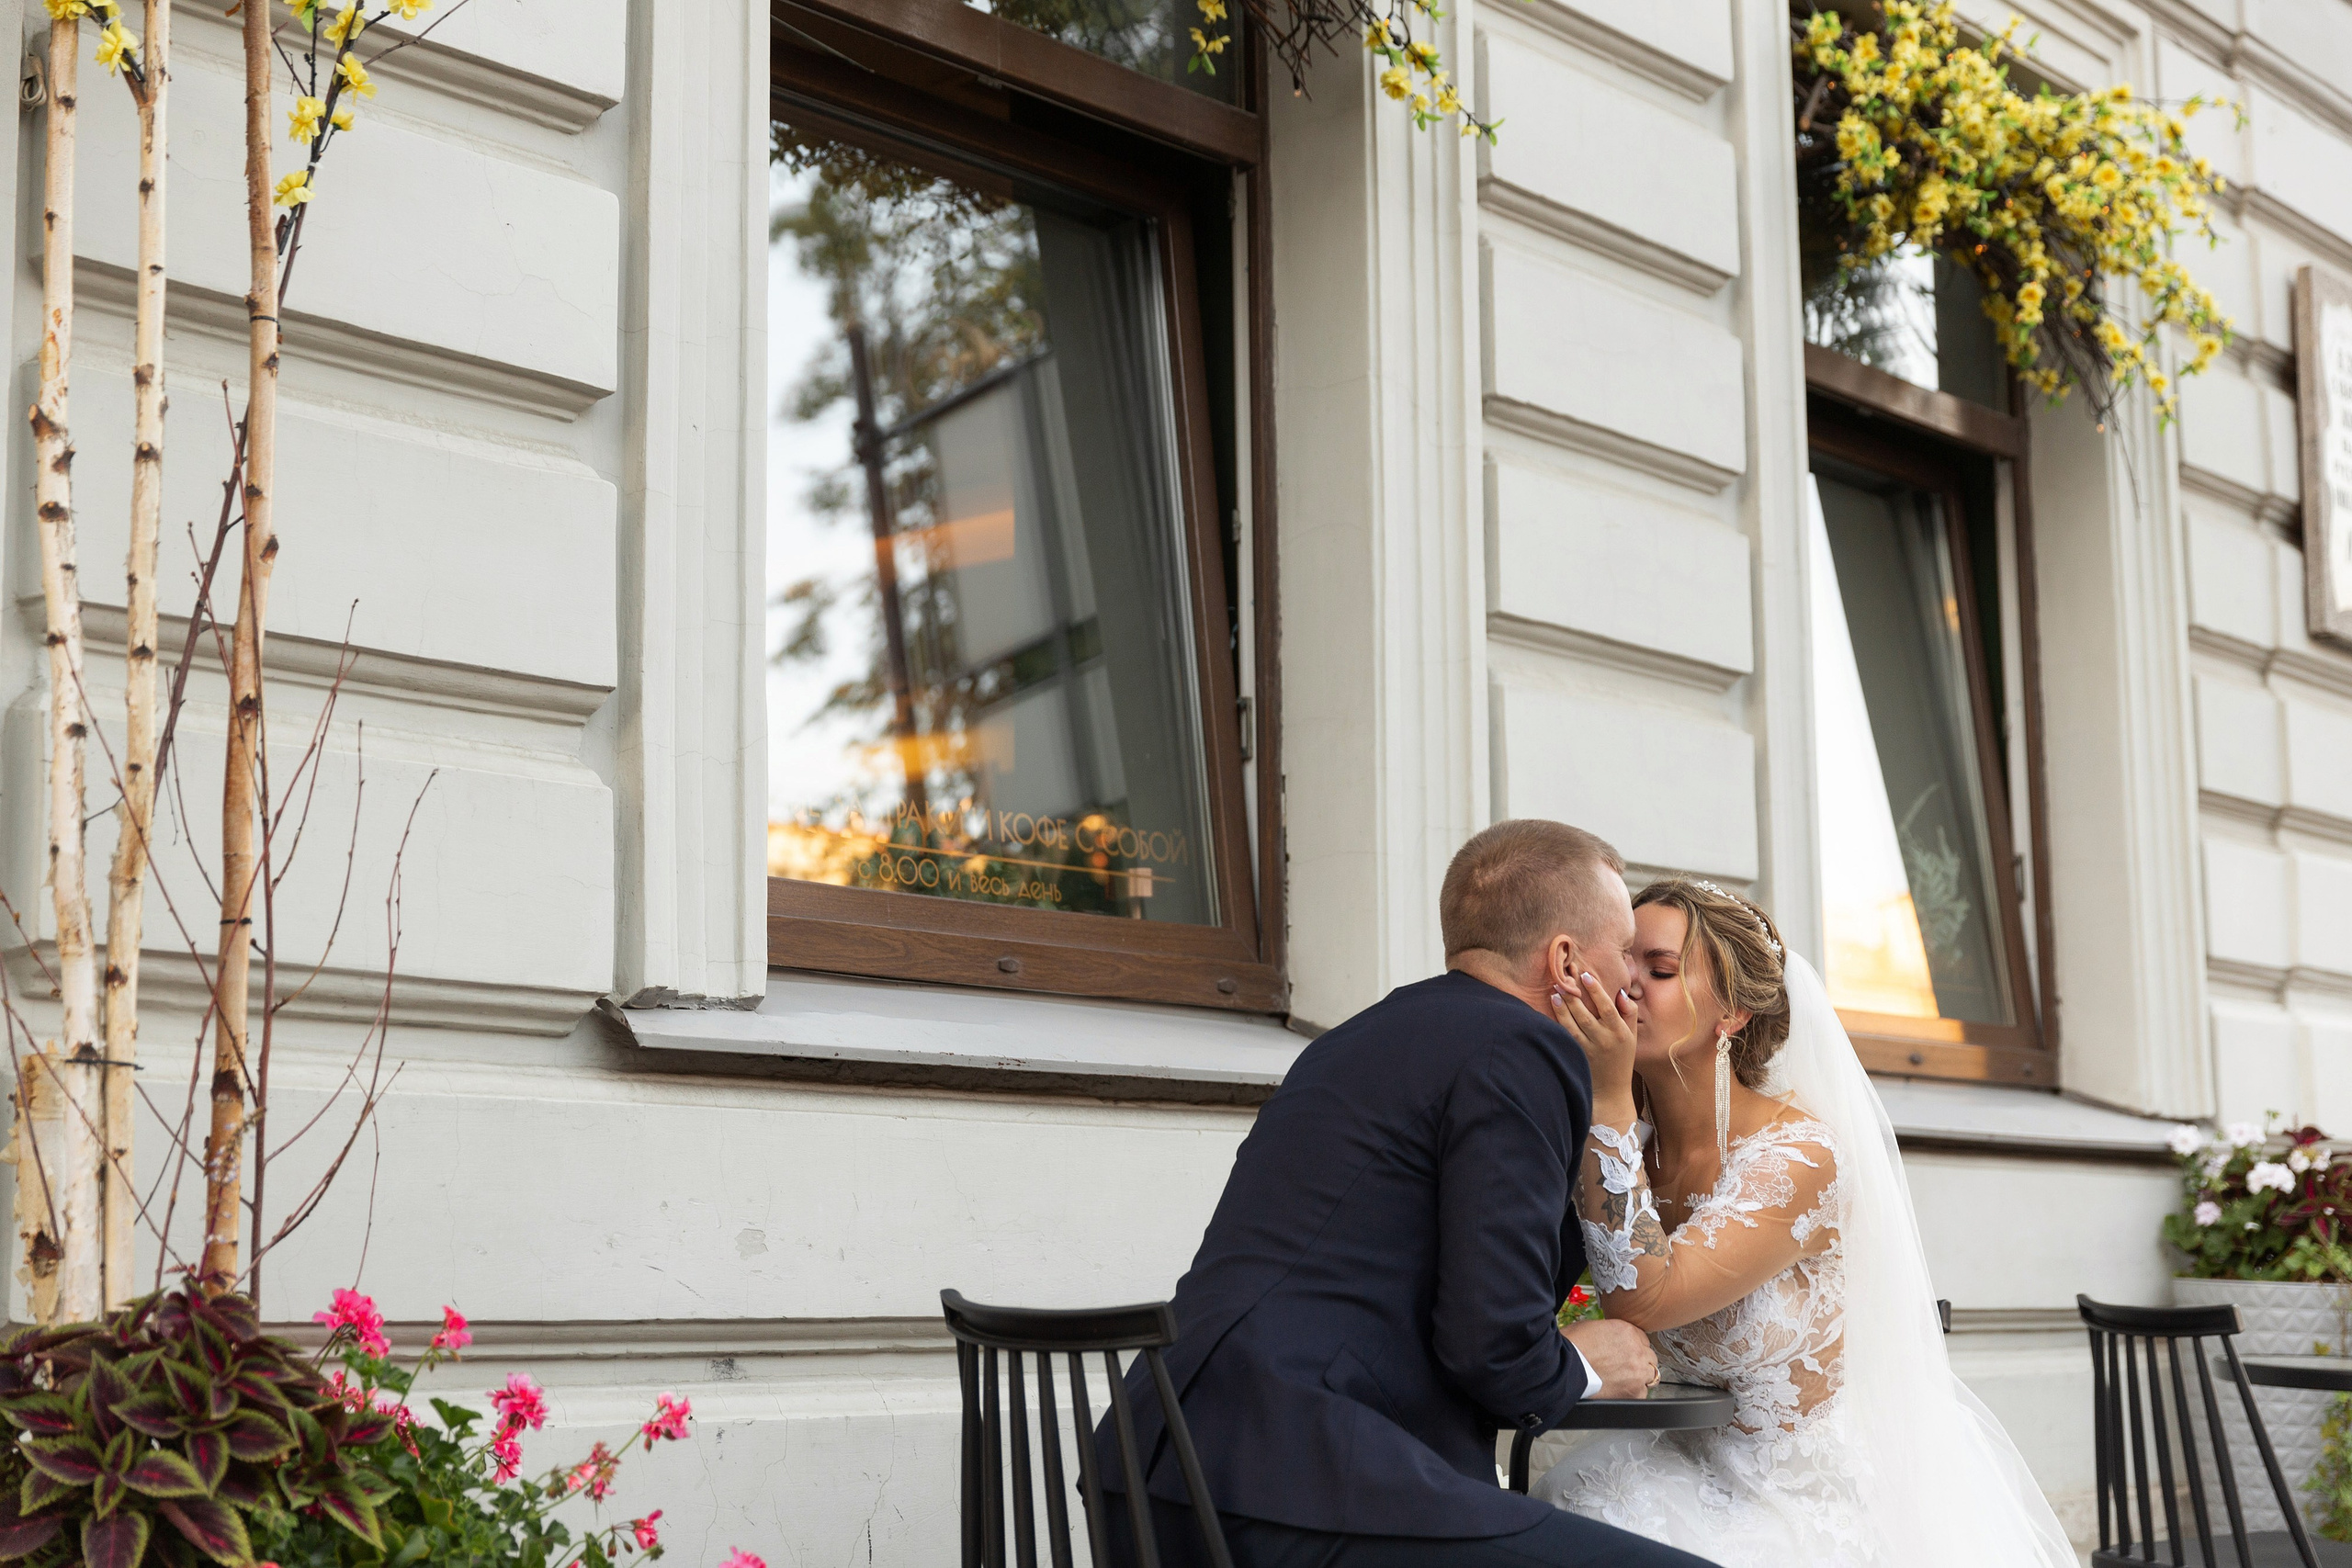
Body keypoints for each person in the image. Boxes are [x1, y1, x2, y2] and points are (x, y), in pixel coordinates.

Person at [1100, 820, 1718, 1568]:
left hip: (1150, 1466)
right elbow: (1494, 1350)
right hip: (1301, 1479)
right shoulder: (1525, 1050)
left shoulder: (1358, 1035)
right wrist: (1587, 1363)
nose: (1629, 982)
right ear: (1564, 959)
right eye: (1624, 951)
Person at [1534, 878, 2075, 1567]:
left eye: (1661, 969)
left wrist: (1608, 1098)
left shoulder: (1798, 1156)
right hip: (1677, 1467)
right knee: (1564, 1504)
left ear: (1729, 1011)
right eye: (1623, 961)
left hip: (1804, 1504)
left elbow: (1645, 1296)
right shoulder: (1630, 1152)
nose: (1627, 984)